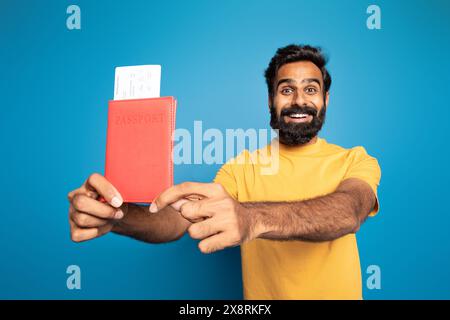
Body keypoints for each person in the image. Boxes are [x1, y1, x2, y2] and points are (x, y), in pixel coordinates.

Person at [67, 44, 381, 299]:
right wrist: (117, 216)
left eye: (311, 89)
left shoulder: (356, 160)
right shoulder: (240, 169)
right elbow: (177, 220)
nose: (299, 100)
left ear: (326, 99)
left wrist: (252, 218)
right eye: (286, 90)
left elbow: (349, 211)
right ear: (271, 100)